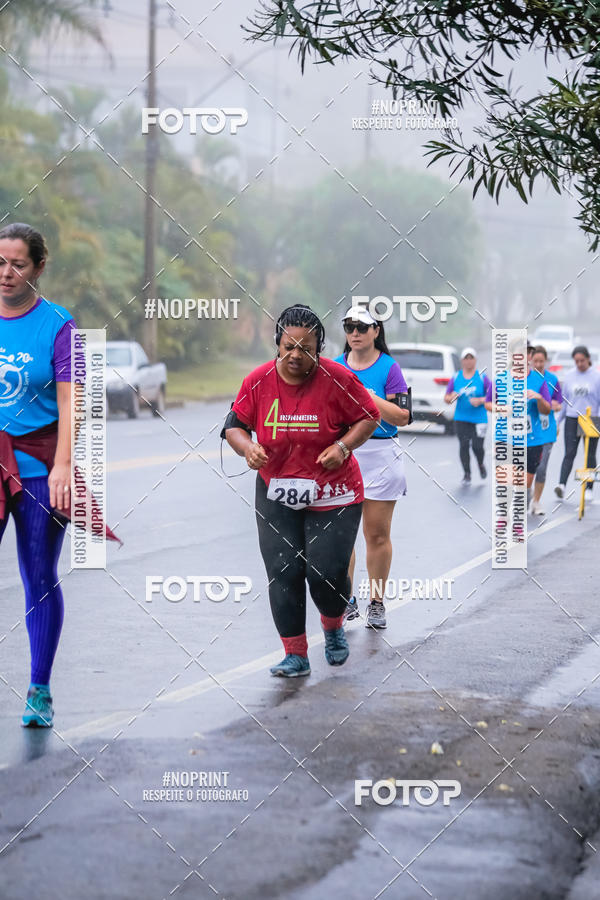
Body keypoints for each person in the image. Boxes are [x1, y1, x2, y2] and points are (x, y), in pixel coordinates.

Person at [224, 304, 380, 677]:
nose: (296, 355)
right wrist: (249, 448)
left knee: (324, 572)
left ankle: (333, 625)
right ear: (277, 343)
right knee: (283, 570)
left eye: (306, 348)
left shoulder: (337, 378)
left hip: (334, 491)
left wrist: (342, 447)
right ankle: (295, 654)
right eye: (289, 346)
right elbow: (234, 426)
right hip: (277, 490)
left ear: (319, 348)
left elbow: (369, 415)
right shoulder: (258, 380)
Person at [0, 223, 76, 727]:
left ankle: (39, 690)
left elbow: (73, 403)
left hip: (37, 470)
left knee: (38, 577)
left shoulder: (58, 325)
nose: (6, 274)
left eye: (18, 264)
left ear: (39, 267)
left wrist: (64, 466)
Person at [334, 306, 410, 629]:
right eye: (350, 326)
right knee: (341, 536)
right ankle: (345, 598)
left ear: (376, 331)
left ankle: (376, 602)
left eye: (362, 327)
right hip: (344, 453)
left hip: (380, 455)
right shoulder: (334, 366)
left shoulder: (389, 369)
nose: (355, 333)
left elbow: (402, 417)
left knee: (376, 534)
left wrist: (366, 396)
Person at [485, 347, 552, 504]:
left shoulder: (538, 380)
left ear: (530, 356)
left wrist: (539, 398)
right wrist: (500, 408)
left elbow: (547, 410)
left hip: (532, 439)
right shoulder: (501, 379)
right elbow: (488, 403)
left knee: (525, 482)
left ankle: (522, 499)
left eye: (526, 353)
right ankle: (505, 515)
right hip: (506, 437)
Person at [555, 345, 600, 500]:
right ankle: (561, 485)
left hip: (591, 418)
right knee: (570, 452)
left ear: (588, 359)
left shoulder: (596, 376)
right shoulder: (569, 376)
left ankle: (589, 488)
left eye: (582, 360)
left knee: (589, 454)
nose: (579, 364)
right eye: (577, 361)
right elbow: (565, 401)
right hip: (572, 418)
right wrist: (558, 422)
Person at [444, 347, 492, 484]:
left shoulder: (482, 377)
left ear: (475, 360)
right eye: (466, 358)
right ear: (462, 361)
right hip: (461, 418)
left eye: (471, 358)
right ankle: (467, 474)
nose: (469, 361)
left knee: (477, 446)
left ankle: (481, 464)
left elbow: (494, 396)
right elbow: (447, 398)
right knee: (463, 445)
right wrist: (452, 396)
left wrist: (481, 400)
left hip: (479, 419)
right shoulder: (456, 377)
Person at [530, 345, 563, 515]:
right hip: (528, 431)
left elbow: (558, 401)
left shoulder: (552, 379)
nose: (539, 364)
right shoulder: (525, 378)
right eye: (536, 361)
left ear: (546, 361)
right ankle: (526, 493)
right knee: (526, 467)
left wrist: (556, 406)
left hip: (547, 430)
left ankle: (536, 501)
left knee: (541, 468)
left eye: (542, 361)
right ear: (530, 360)